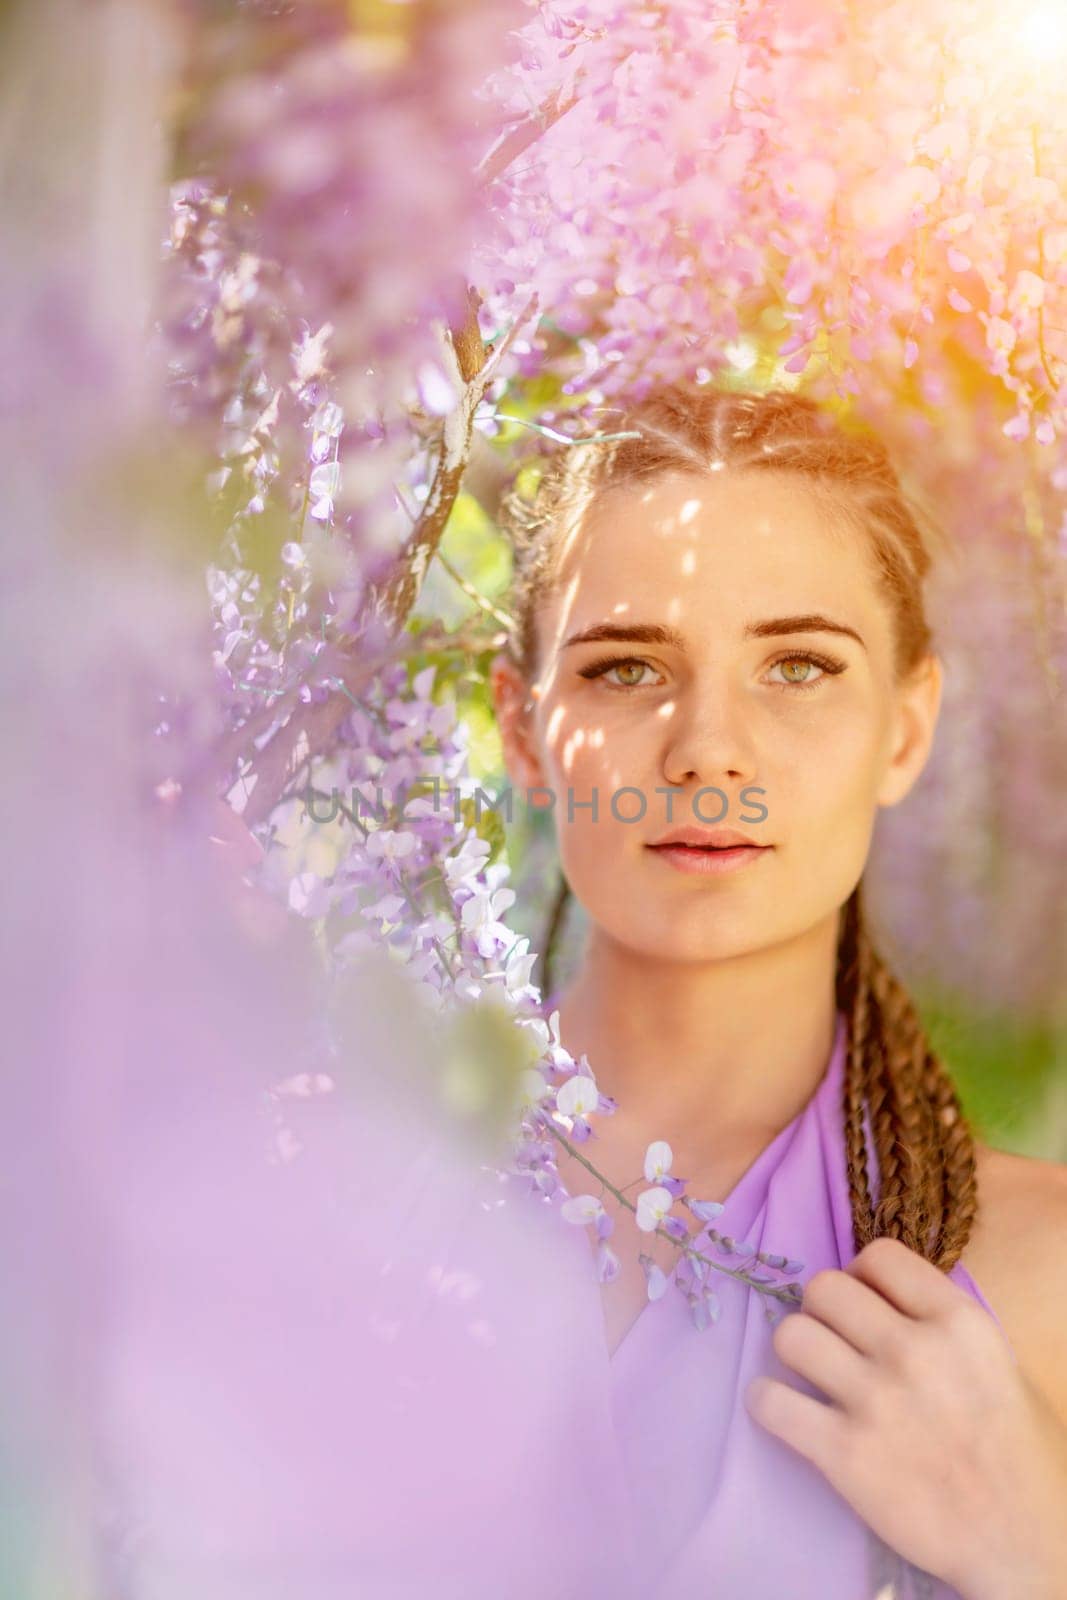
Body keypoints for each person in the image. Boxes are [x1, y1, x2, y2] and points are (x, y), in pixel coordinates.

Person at [489, 384, 1067, 1599]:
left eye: (796, 665)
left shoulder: (1038, 1271)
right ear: (524, 730)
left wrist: (1037, 1550)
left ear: (905, 732)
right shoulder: (324, 1192)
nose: (708, 749)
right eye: (627, 666)